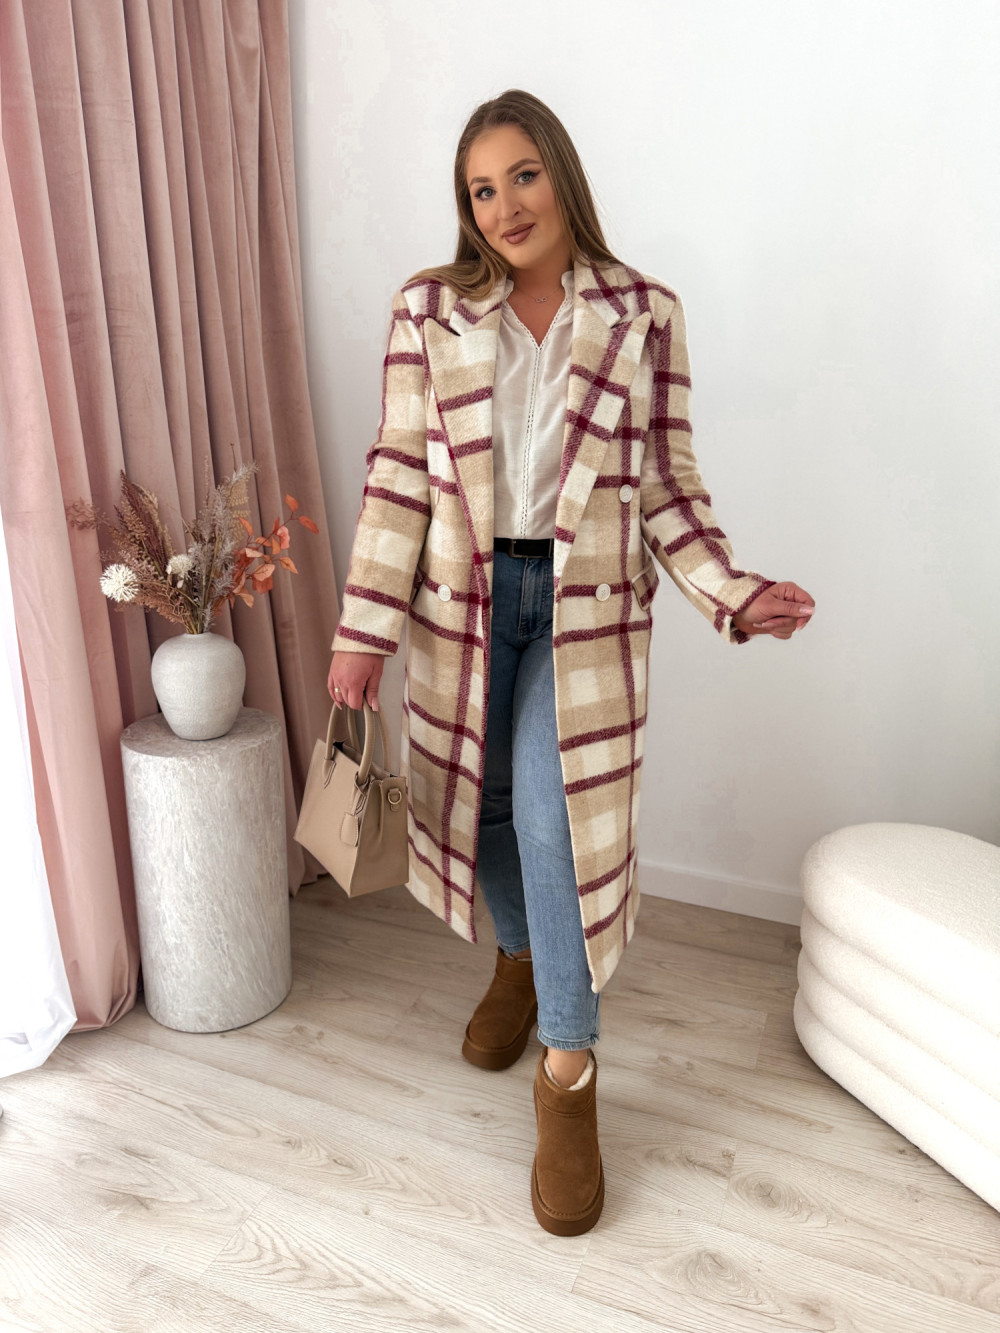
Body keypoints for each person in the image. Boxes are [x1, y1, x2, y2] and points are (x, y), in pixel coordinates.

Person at [328, 89, 815, 1236]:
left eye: (522, 175)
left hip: (582, 613)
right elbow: (398, 475)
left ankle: (568, 1074)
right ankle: (516, 957)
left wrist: (732, 595)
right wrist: (362, 629)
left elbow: (667, 490)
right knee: (484, 807)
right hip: (462, 606)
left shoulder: (644, 314)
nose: (504, 205)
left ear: (561, 173)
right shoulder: (428, 311)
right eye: (480, 189)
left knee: (550, 819)